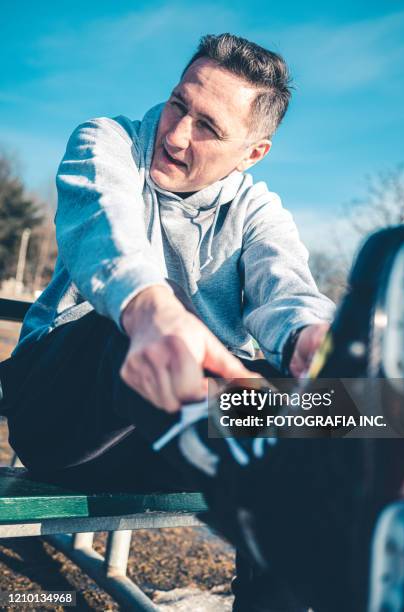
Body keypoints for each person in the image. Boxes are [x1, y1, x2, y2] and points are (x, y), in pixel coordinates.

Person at [0, 34, 334, 611]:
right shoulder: (109, 143)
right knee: (134, 333)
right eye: (179, 104)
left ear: (253, 153)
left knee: (304, 418)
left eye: (208, 126)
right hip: (64, 413)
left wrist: (312, 339)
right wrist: (151, 310)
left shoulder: (257, 212)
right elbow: (107, 231)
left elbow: (287, 287)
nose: (175, 135)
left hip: (167, 434)